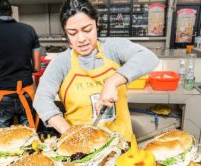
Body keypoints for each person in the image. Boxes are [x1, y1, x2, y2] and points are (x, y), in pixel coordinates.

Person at [33, 0, 159, 141]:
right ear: (66, 34)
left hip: (121, 142)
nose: (81, 39)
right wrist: (69, 134)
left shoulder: (113, 48)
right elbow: (41, 99)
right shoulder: (61, 63)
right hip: (81, 146)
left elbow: (149, 57)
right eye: (73, 33)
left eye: (87, 30)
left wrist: (112, 82)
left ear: (97, 25)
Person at [0, 0, 41, 129]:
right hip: (26, 93)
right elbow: (37, 67)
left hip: (3, 94)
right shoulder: (29, 29)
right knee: (29, 136)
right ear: (11, 13)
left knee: (3, 138)